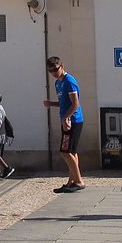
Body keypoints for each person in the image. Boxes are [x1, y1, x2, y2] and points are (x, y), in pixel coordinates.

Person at [43, 56, 85, 192]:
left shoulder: (69, 81)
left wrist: (66, 118)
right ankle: (71, 181)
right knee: (71, 151)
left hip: (73, 121)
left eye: (55, 69)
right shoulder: (58, 83)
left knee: (65, 151)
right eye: (50, 71)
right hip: (67, 120)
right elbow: (64, 103)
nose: (53, 73)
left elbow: (75, 103)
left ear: (62, 66)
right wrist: (51, 104)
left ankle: (79, 181)